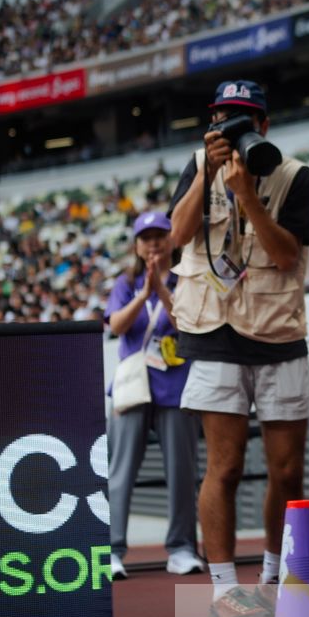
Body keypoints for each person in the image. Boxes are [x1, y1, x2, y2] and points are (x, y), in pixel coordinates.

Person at [168, 80, 309, 617]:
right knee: (224, 467)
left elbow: (284, 255)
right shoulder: (197, 165)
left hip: (277, 333)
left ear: (265, 125)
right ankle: (225, 591)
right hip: (212, 333)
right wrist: (208, 174)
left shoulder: (294, 174)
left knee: (288, 471)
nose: (232, 129)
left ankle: (273, 581)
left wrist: (249, 197)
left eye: (243, 120)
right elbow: (177, 236)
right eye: (223, 119)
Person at [105, 211, 200, 581]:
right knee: (121, 471)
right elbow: (116, 325)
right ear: (136, 245)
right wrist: (144, 293)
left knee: (182, 470)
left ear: (172, 240)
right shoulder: (124, 283)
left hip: (175, 386)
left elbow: (187, 324)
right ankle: (112, 549)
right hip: (132, 388)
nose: (154, 243)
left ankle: (181, 548)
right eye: (146, 237)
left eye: (160, 235)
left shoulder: (185, 278)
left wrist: (161, 292)